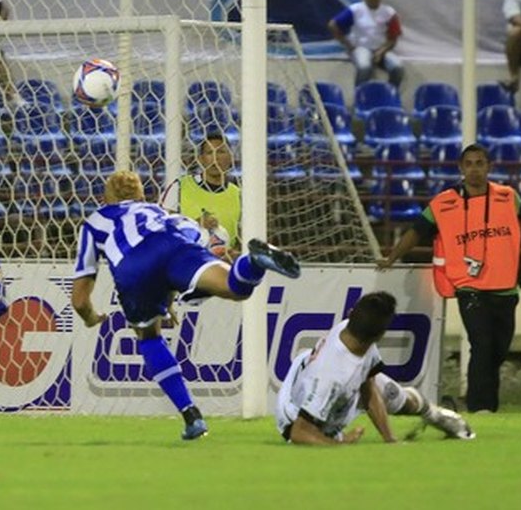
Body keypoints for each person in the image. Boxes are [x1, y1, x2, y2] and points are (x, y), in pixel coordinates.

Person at [71, 170, 301, 441]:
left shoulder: (95, 221)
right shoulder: (164, 214)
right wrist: (168, 296)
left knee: (148, 335)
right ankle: (253, 262)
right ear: (142, 195)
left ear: (105, 197)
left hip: (133, 264)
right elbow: (192, 241)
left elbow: (79, 299)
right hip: (176, 245)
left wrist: (90, 317)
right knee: (233, 287)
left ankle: (191, 415)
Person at [377, 144, 521, 413]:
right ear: (461, 168)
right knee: (481, 345)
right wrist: (391, 257)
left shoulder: (509, 197)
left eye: (480, 163)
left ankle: (486, 405)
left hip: (506, 288)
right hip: (470, 288)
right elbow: (416, 231)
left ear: (489, 167)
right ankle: (480, 407)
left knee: (497, 351)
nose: (474, 169)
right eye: (468, 164)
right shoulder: (443, 203)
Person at [276, 291, 475, 445]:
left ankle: (435, 414)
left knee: (399, 398)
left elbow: (368, 385)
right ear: (380, 335)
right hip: (295, 417)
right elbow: (298, 432)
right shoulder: (330, 376)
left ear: (351, 313)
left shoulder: (354, 329)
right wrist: (341, 444)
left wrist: (389, 439)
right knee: (323, 432)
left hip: (328, 377)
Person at [160, 132, 241, 260]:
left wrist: (234, 254)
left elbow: (242, 240)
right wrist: (193, 224)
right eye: (209, 153)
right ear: (200, 159)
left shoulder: (238, 194)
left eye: (221, 152)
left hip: (224, 268)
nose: (215, 158)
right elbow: (160, 228)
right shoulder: (180, 187)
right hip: (186, 265)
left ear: (231, 157)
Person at [327, 0, 404, 89]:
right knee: (364, 67)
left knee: (397, 68)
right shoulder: (355, 10)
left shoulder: (389, 12)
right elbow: (332, 25)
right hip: (361, 48)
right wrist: (347, 44)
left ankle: (389, 94)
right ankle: (360, 98)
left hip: (382, 49)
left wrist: (381, 52)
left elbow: (393, 39)